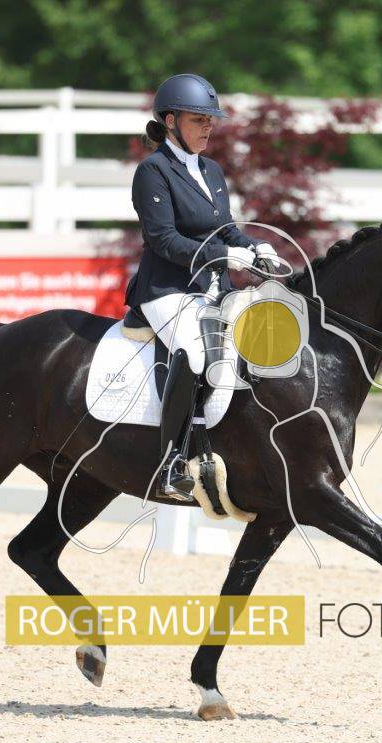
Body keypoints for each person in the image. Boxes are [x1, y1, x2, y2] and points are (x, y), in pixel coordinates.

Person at [126, 72, 281, 501]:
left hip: (213, 289)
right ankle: (171, 461)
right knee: (196, 354)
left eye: (210, 120)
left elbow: (226, 228)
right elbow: (164, 240)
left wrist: (255, 246)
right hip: (167, 290)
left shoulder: (211, 170)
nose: (208, 127)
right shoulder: (153, 171)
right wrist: (222, 256)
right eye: (199, 120)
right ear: (171, 121)